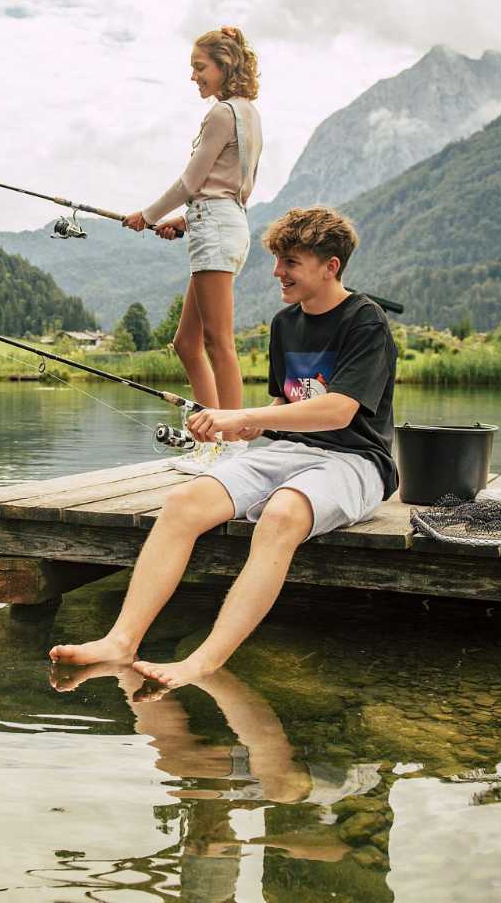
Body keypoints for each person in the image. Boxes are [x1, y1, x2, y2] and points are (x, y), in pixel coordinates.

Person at [50, 207, 397, 690]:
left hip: (355, 460)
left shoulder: (366, 321)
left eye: (291, 262)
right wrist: (240, 430)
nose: (278, 272)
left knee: (281, 514)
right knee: (183, 504)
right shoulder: (285, 323)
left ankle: (203, 661)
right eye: (278, 261)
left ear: (330, 266)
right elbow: (288, 401)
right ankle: (121, 641)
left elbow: (338, 410)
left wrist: (246, 417)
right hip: (288, 450)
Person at [122, 27, 263, 472]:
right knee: (187, 343)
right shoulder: (248, 113)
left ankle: (230, 446)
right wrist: (184, 220)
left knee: (219, 343)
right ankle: (211, 440)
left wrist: (147, 214)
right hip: (221, 222)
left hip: (217, 228)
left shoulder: (222, 113)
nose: (194, 77)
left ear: (225, 67)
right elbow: (229, 186)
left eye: (200, 68)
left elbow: (191, 181)